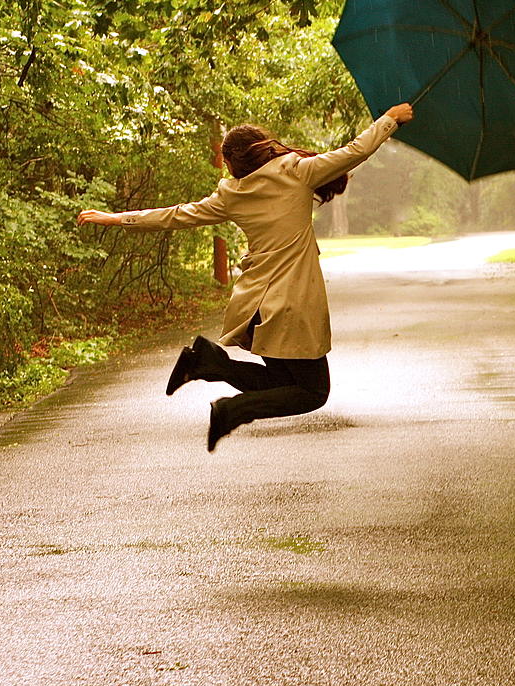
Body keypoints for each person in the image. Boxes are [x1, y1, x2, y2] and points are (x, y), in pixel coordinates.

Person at [77, 102, 414, 451]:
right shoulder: (296, 172)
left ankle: (206, 362)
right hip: (291, 305)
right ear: (264, 147)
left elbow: (177, 215)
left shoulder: (232, 195)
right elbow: (354, 151)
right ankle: (231, 408)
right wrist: (389, 120)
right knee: (312, 393)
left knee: (281, 381)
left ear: (235, 163)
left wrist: (117, 218)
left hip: (257, 306)